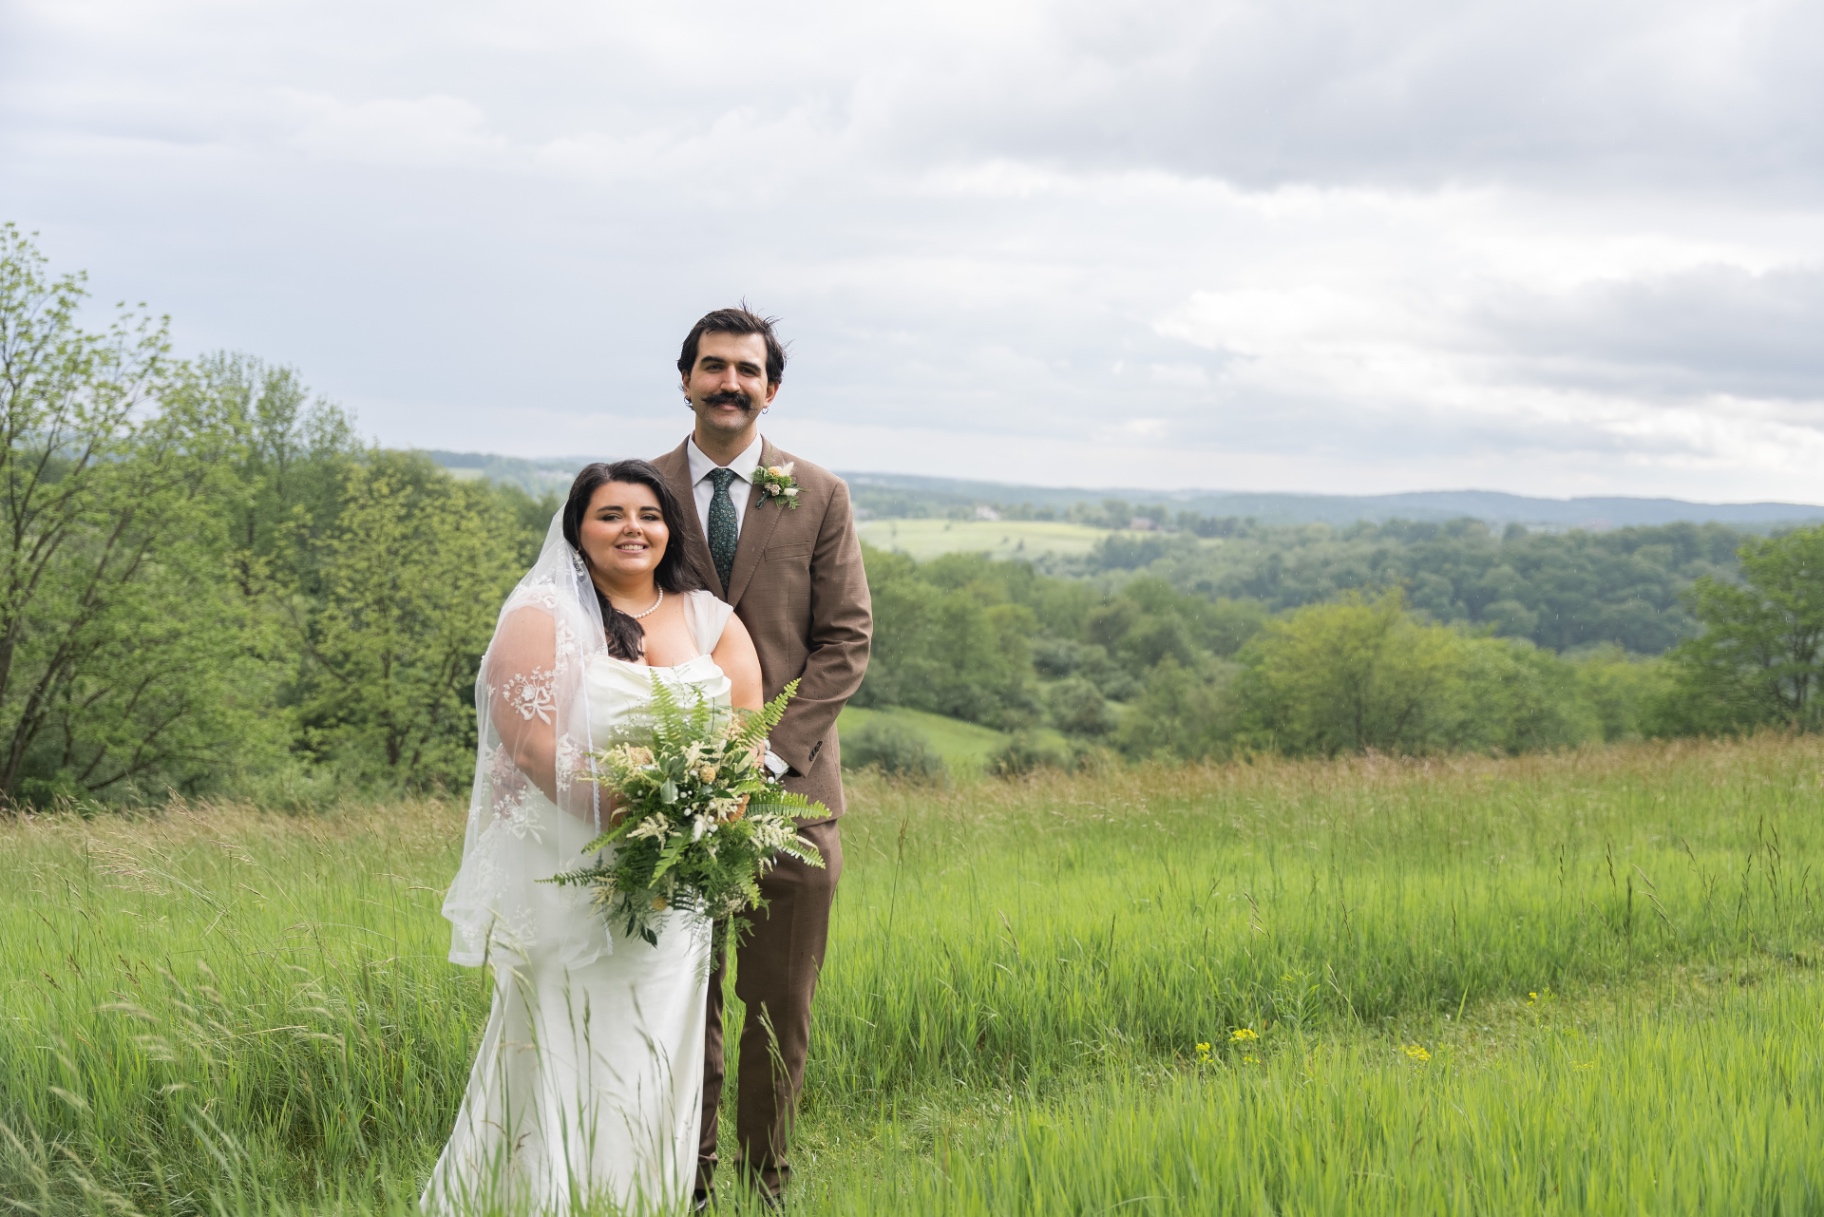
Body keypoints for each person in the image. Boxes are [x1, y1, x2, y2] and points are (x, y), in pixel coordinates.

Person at [423, 459, 765, 1215]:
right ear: (578, 527)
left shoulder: (708, 616)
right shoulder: (543, 612)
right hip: (573, 876)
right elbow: (527, 739)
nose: (632, 529)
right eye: (610, 514)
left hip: (676, 888)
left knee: (656, 1056)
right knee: (565, 1045)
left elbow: (746, 721)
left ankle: (640, 1199)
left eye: (647, 514)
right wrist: (622, 808)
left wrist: (714, 813)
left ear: (669, 528)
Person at [650, 307, 873, 1207]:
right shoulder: (642, 489)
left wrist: (768, 761)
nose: (729, 382)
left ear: (770, 387)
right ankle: (688, 1184)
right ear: (686, 379)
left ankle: (765, 1184)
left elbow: (845, 641)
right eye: (713, 366)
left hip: (793, 802)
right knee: (679, 1010)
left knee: (778, 1010)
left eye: (746, 369)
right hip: (667, 802)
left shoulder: (818, 493)